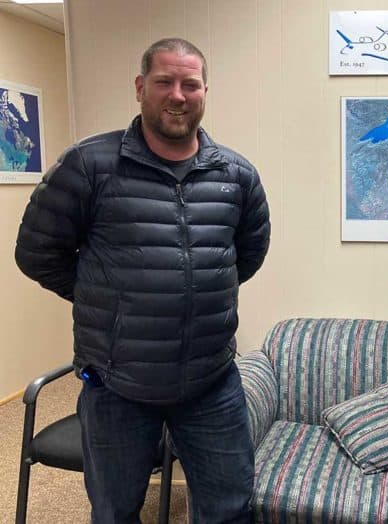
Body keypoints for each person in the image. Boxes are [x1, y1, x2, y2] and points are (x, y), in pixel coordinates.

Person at [15, 37, 270, 523]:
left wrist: (192, 290)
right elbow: (36, 253)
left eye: (190, 84)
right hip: (117, 386)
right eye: (164, 82)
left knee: (229, 510)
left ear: (204, 91)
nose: (178, 95)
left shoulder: (236, 175)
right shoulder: (88, 165)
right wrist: (109, 299)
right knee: (114, 513)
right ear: (140, 87)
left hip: (211, 382)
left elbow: (248, 255)